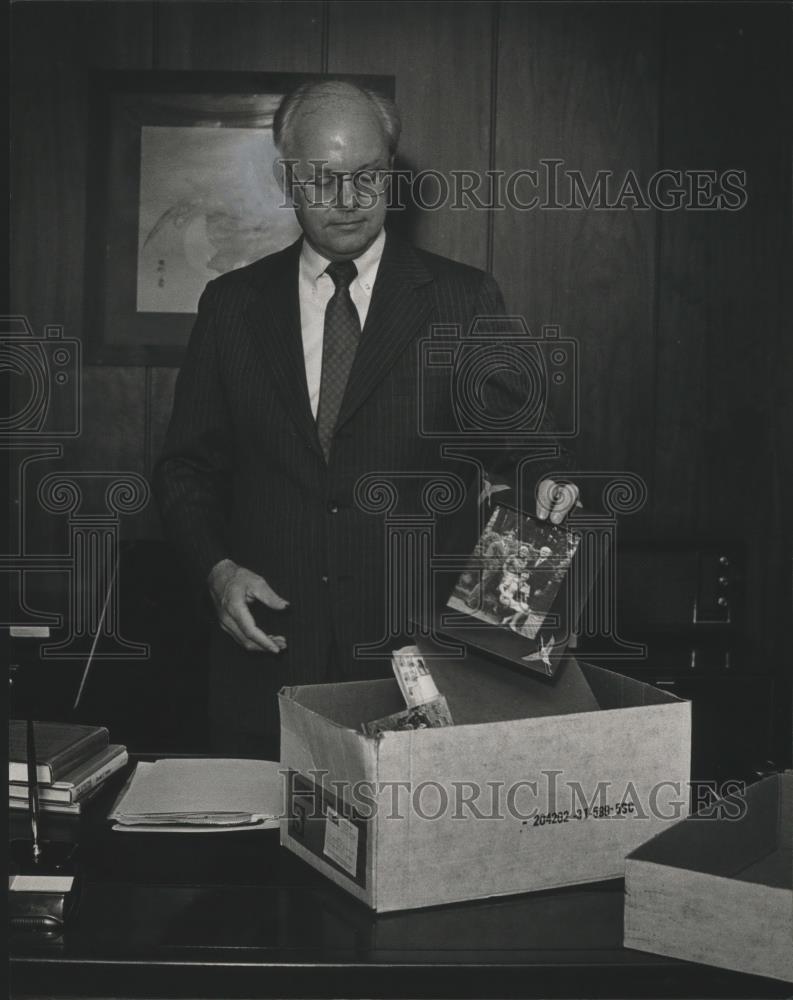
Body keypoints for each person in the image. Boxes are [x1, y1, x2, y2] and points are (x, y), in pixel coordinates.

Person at [153, 80, 578, 755]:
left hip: (420, 680)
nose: (347, 201)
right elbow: (186, 469)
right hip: (266, 668)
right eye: (322, 179)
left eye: (367, 176)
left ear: (391, 172)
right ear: (284, 177)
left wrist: (493, 634)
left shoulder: (464, 301)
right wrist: (217, 569)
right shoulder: (230, 306)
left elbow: (533, 468)